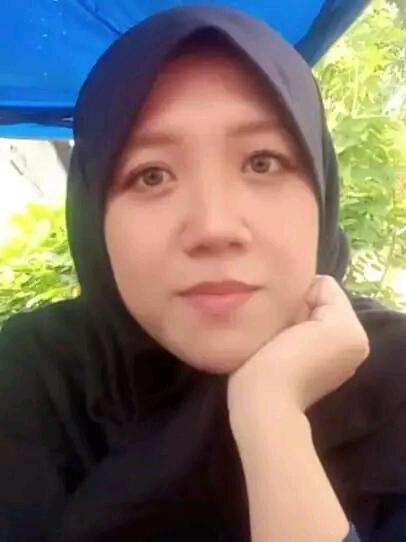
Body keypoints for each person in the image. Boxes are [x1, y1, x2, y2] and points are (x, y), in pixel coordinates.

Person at [1, 5, 406, 542]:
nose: (214, 228)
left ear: (320, 187)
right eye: (151, 175)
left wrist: (271, 415)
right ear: (94, 213)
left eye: (262, 162)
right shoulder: (32, 384)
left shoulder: (396, 387)